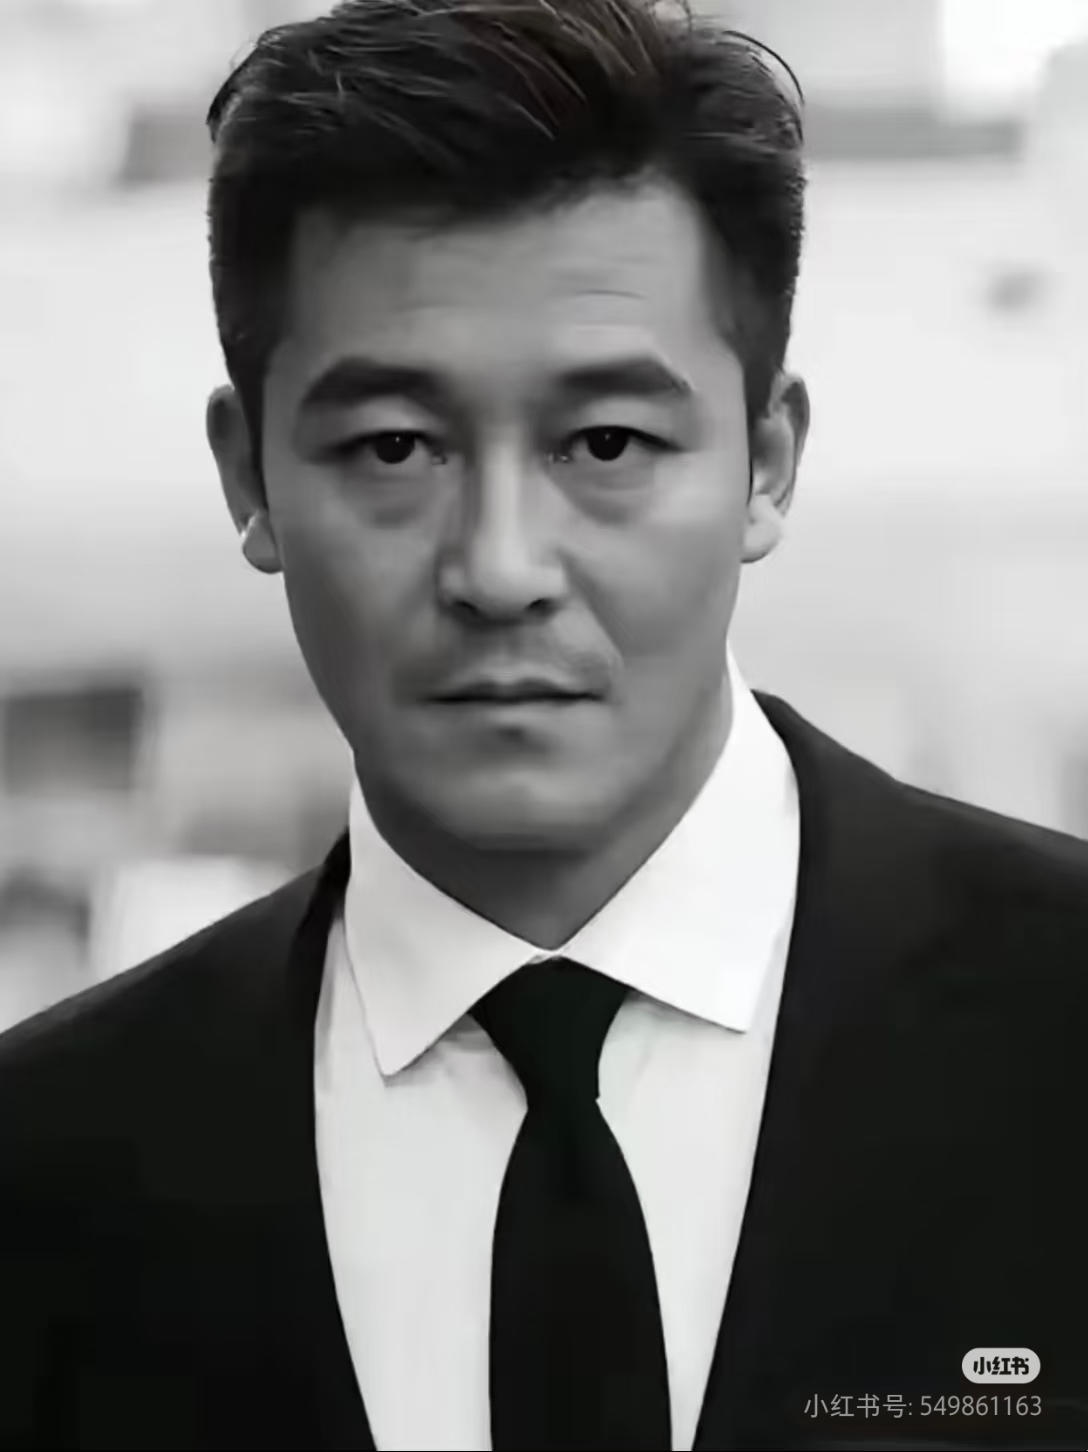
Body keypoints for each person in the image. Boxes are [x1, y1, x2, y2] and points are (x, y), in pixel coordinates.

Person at [0, 2, 1085, 1448]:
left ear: (766, 462)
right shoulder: (44, 1170)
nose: (501, 567)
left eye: (607, 443)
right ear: (249, 477)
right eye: (394, 447)